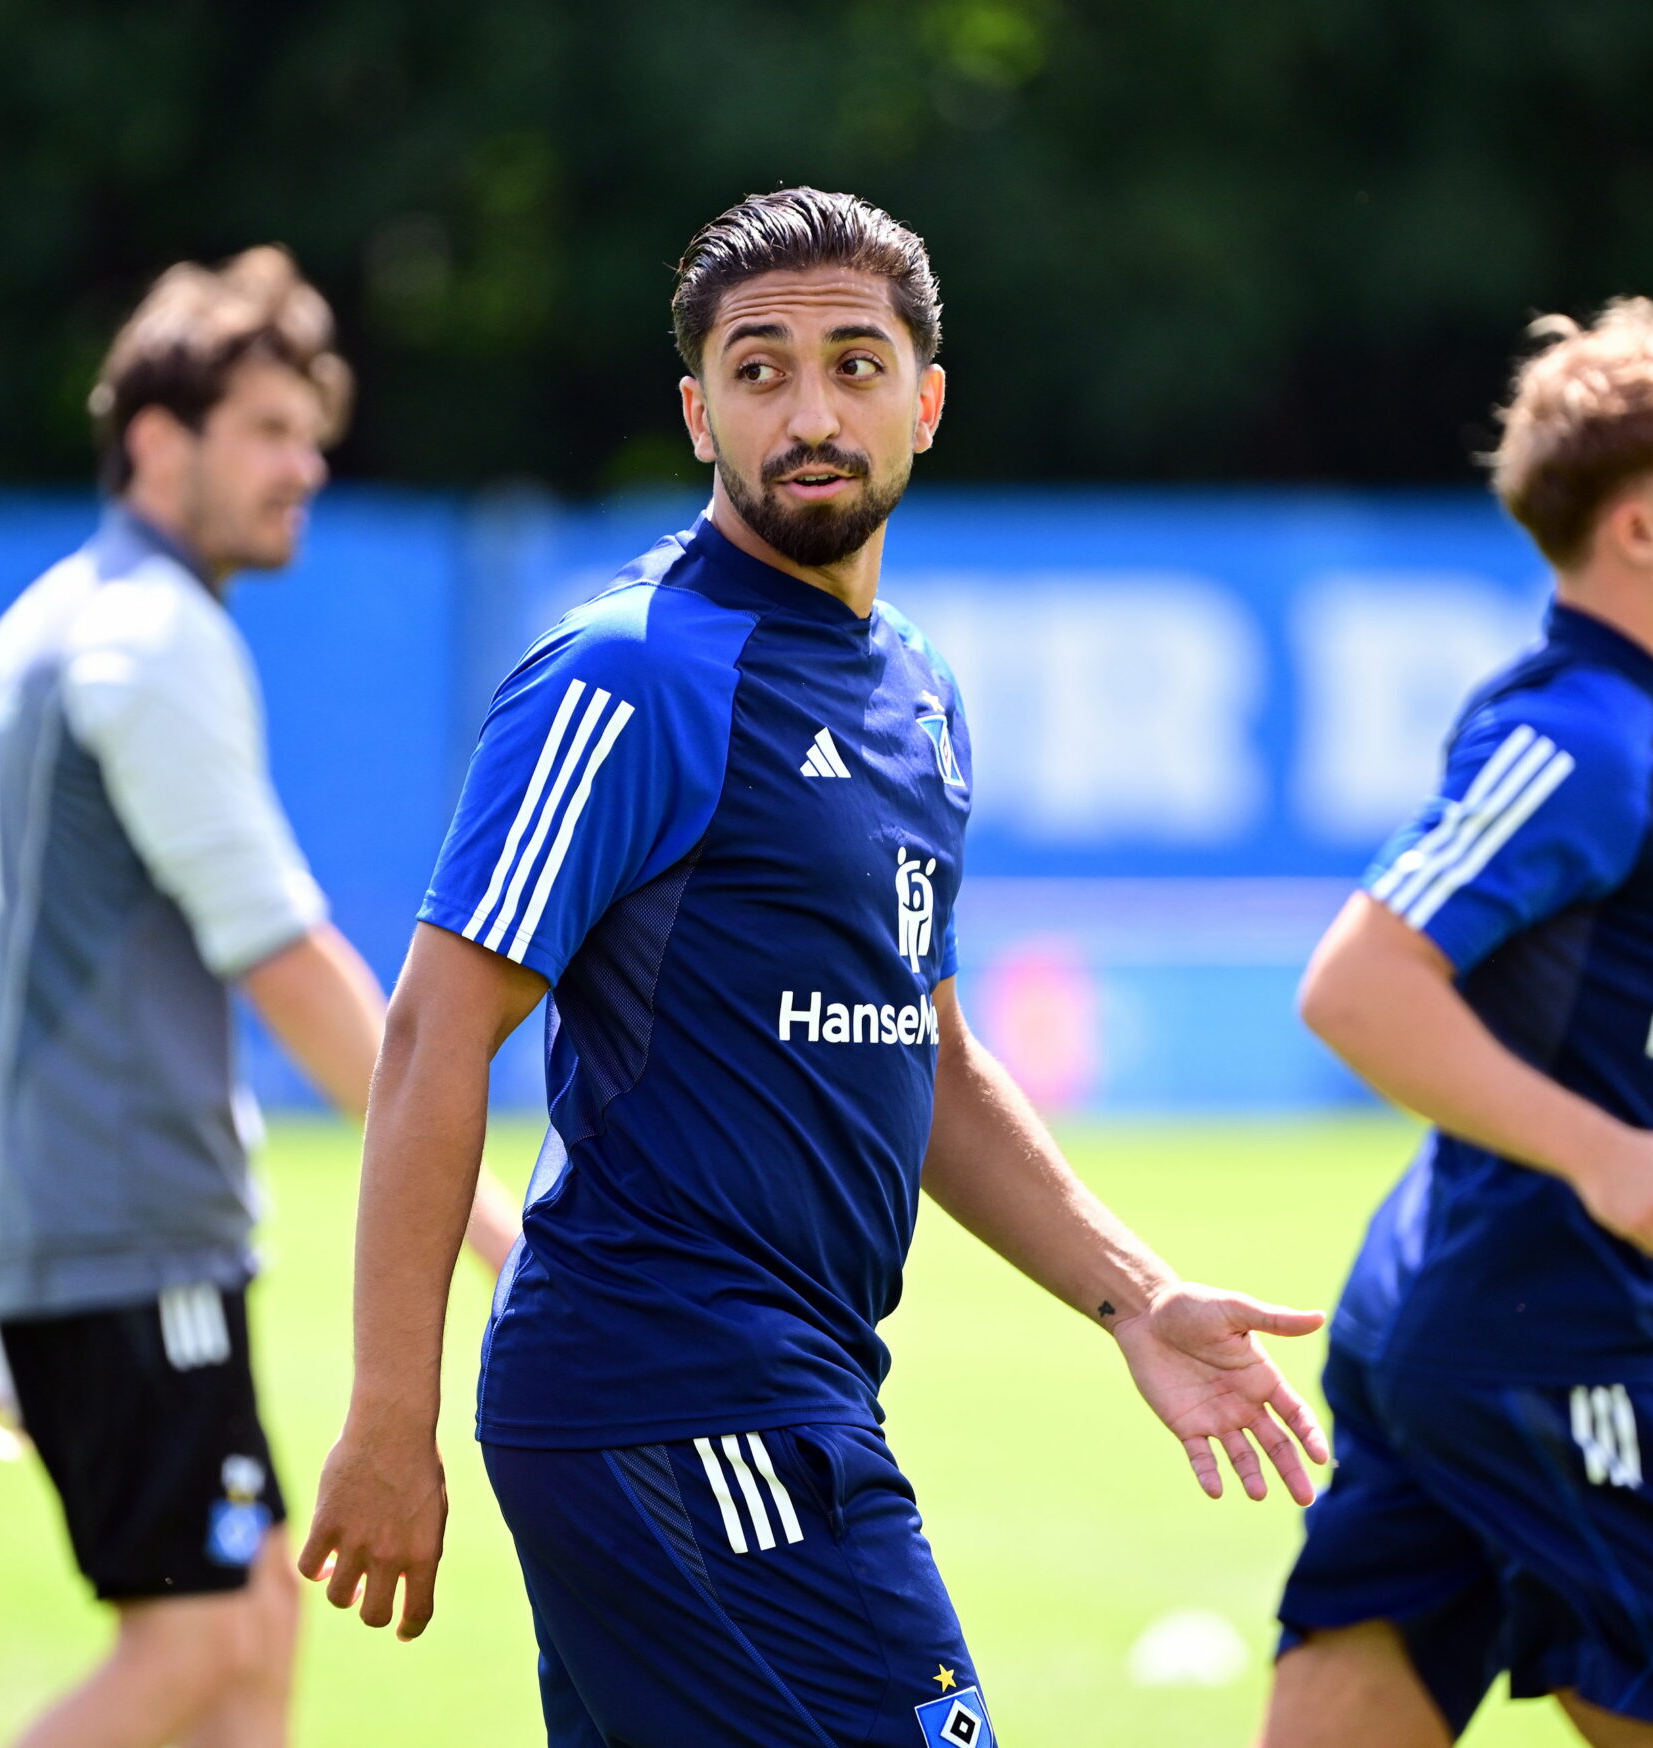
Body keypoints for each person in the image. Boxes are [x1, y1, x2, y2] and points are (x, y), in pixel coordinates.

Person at [295, 186, 1331, 1748]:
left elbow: (938, 1067)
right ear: (699, 410)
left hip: (781, 1385)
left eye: (855, 364)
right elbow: (437, 1034)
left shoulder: (915, 690)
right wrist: (391, 1413)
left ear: (925, 400)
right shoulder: (635, 670)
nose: (811, 410)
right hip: (675, 1385)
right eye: (761, 368)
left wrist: (1137, 1299)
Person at [0, 245, 518, 1748]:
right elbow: (290, 958)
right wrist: (495, 1232)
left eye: (312, 432)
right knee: (196, 1651)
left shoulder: (34, 634)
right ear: (161, 441)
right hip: (126, 1236)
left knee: (248, 1639)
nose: (306, 464)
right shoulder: (150, 638)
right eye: (266, 429)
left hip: (73, 1231)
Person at [1258, 301, 1653, 1748]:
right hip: (1548, 1352)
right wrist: (1606, 1154)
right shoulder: (1579, 739)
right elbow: (1355, 988)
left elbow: (1573, 1027)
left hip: (1460, 1339)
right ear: (1641, 532)